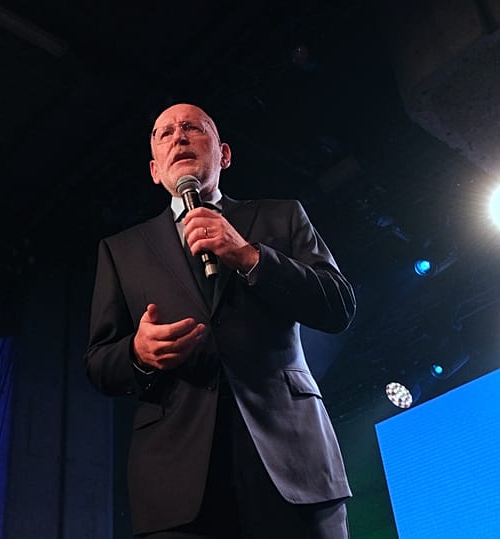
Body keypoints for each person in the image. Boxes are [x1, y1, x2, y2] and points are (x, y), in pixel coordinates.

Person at [84, 103, 356, 538]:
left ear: (224, 154)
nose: (179, 137)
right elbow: (99, 364)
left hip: (292, 460)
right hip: (176, 478)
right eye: (165, 133)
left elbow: (339, 305)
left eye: (192, 127)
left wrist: (250, 256)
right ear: (155, 170)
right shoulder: (121, 251)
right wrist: (138, 353)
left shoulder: (281, 216)